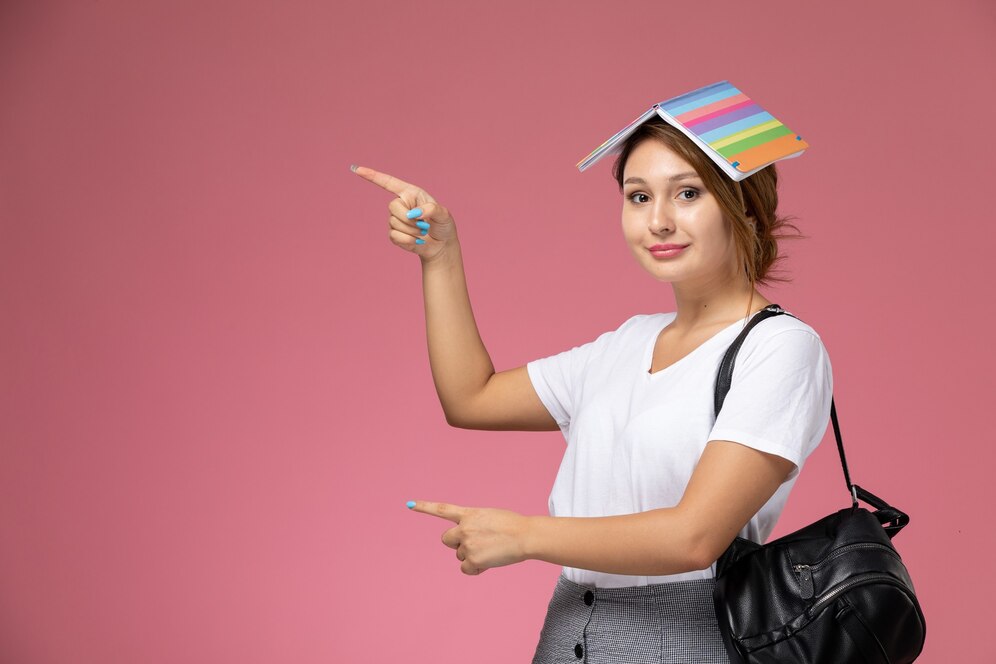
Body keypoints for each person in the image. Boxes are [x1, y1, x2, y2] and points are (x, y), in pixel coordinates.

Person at [352, 112, 832, 663]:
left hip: (684, 637)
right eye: (638, 197)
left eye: (688, 193)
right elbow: (470, 397)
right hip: (566, 633)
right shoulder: (626, 343)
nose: (659, 221)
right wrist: (440, 257)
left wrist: (524, 535)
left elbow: (694, 538)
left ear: (744, 204)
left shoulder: (780, 348)